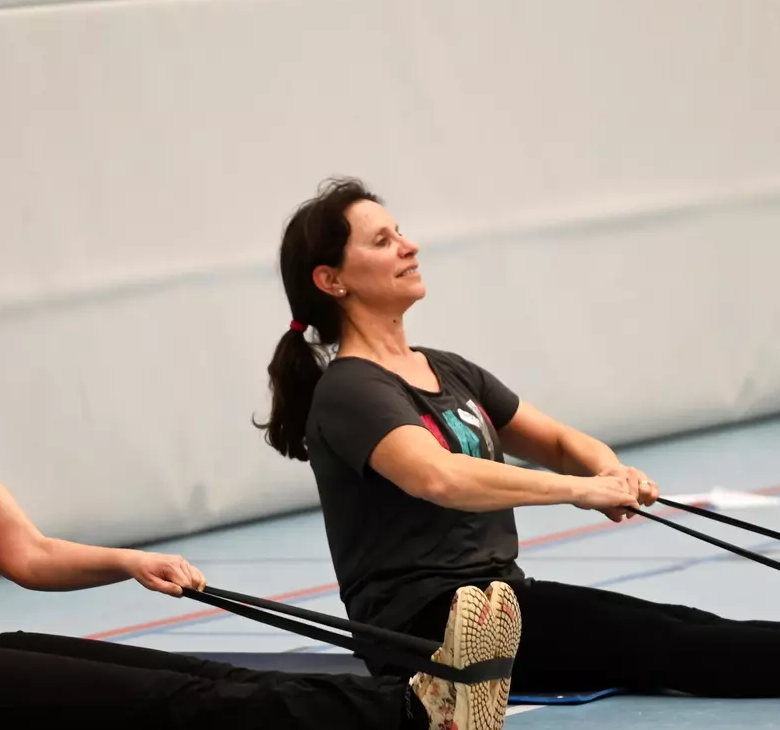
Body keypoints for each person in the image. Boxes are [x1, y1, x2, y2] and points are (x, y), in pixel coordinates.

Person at [0, 240, 521, 730]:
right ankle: (415, 722)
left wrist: (129, 562)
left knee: (197, 672)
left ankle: (417, 696)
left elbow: (27, 553)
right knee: (167, 703)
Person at [259, 177, 780, 697]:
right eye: (382, 241)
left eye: (400, 232)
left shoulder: (447, 369)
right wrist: (580, 490)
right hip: (428, 627)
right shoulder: (350, 389)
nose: (408, 246)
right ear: (332, 280)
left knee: (685, 621)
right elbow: (438, 477)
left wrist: (609, 470)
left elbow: (556, 443)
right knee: (672, 643)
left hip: (501, 601)